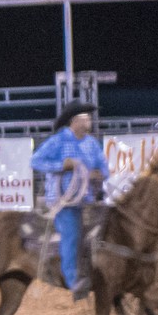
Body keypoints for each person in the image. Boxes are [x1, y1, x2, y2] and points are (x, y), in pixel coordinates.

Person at [29, 101, 107, 299]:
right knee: (71, 235)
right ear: (74, 121)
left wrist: (98, 174)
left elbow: (104, 168)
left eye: (89, 118)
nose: (89, 120)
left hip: (86, 198)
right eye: (85, 117)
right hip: (64, 201)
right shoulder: (59, 141)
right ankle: (73, 281)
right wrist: (62, 164)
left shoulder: (91, 143)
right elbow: (35, 161)